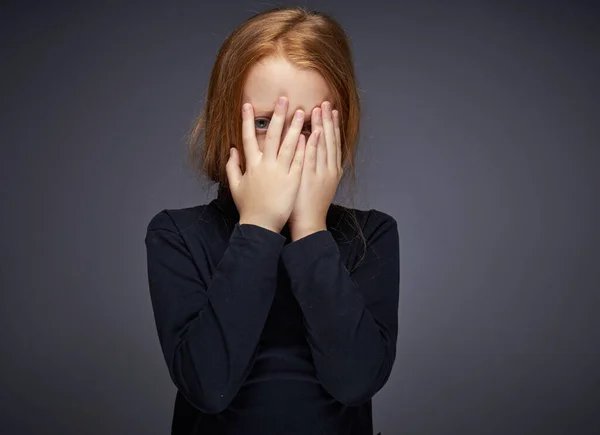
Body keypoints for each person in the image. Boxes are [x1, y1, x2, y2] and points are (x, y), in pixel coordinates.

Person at [145, 6, 399, 435]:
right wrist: (259, 225)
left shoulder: (371, 235)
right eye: (264, 122)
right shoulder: (178, 235)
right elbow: (208, 387)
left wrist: (311, 230)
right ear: (228, 123)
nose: (285, 145)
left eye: (307, 126)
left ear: (342, 127)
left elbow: (355, 382)